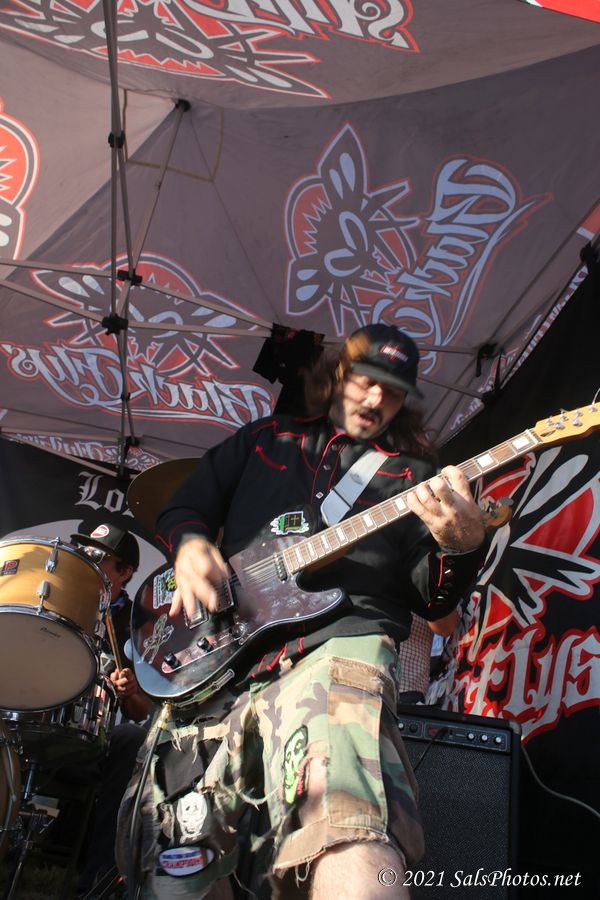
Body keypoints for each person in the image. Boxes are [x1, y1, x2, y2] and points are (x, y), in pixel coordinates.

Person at [129, 323, 487, 899]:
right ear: (338, 374)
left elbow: (433, 599)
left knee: (349, 819)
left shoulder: (413, 479)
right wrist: (191, 544)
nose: (376, 398)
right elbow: (184, 506)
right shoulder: (266, 440)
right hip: (224, 664)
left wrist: (461, 546)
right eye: (367, 380)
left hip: (339, 647)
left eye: (393, 391)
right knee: (181, 861)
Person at [69, 522, 154, 897]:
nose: (88, 559)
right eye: (84, 551)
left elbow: (139, 710)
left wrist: (130, 691)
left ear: (125, 572)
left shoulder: (140, 624)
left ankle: (98, 881)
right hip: (30, 720)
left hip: (88, 739)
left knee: (132, 739)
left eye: (99, 556)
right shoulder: (56, 596)